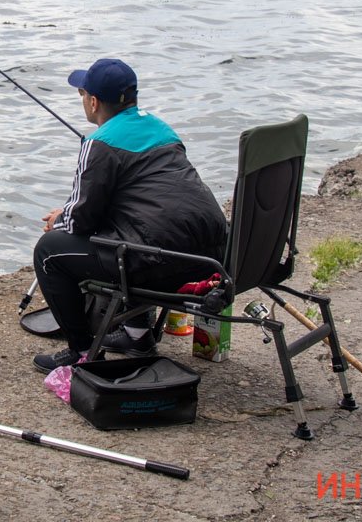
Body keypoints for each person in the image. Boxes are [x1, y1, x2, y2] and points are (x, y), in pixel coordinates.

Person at [32, 58, 228, 373]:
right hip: (215, 257)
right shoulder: (163, 129)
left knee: (49, 251)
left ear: (93, 101)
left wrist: (58, 219)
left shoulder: (99, 143)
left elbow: (81, 220)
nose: (83, 100)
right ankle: (137, 336)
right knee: (129, 229)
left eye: (82, 94)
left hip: (162, 265)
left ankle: (82, 352)